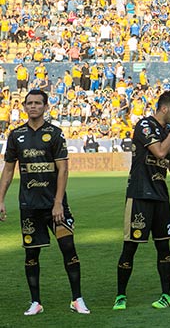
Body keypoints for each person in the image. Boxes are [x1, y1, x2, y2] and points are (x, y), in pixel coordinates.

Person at [0, 90, 90, 316]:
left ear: (45, 107)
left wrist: (58, 202)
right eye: (29, 103)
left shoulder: (55, 133)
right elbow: (8, 170)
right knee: (31, 254)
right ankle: (35, 302)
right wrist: (0, 199)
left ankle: (77, 299)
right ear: (24, 106)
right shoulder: (16, 135)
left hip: (55, 206)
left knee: (68, 248)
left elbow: (63, 169)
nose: (33, 106)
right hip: (29, 206)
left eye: (38, 103)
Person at [113, 91, 170, 310]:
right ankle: (121, 295)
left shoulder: (167, 131)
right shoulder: (145, 125)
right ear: (164, 108)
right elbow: (159, 152)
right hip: (139, 194)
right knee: (130, 247)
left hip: (160, 196)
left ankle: (165, 295)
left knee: (164, 246)